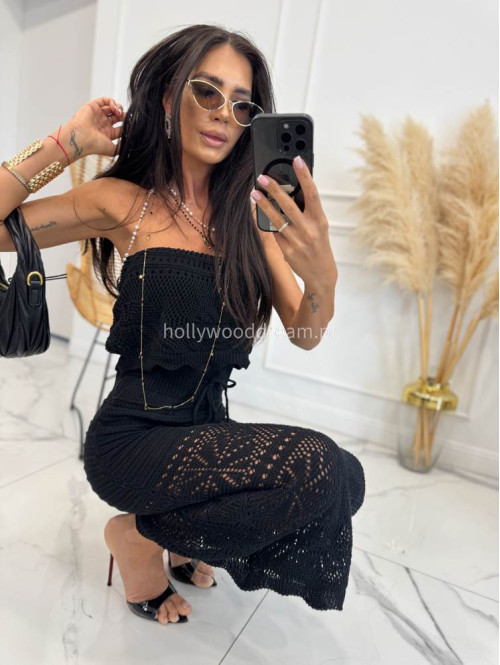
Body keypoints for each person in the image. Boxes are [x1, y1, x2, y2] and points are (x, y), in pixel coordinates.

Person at [0, 24, 365, 626]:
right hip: (134, 440)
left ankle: (174, 533)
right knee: (316, 466)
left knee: (346, 478)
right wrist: (68, 143)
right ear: (170, 97)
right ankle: (139, 537)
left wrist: (322, 276)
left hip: (205, 433)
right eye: (207, 91)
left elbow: (304, 333)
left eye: (242, 105)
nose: (224, 113)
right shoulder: (124, 202)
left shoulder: (249, 220)